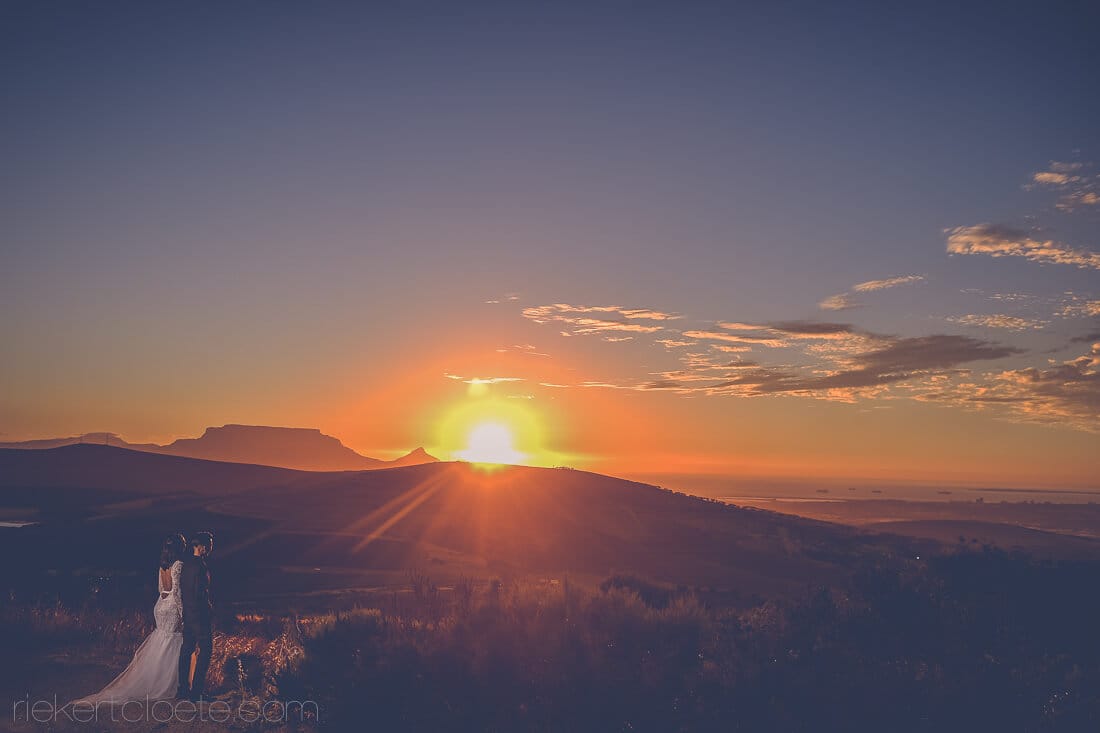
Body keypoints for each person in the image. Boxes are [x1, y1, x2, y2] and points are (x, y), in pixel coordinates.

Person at [70, 534, 187, 707]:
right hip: (172, 607)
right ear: (180, 547)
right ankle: (168, 684)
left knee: (162, 640)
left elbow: (161, 590)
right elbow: (176, 592)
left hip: (160, 605)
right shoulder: (179, 565)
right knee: (173, 640)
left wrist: (165, 600)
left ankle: (153, 679)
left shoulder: (163, 566)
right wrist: (183, 613)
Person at [176, 531, 214, 702]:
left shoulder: (186, 565)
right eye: (209, 544)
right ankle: (197, 692)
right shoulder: (201, 566)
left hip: (188, 613)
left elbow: (184, 591)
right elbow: (201, 592)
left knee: (186, 650)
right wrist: (208, 609)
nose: (210, 548)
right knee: (206, 650)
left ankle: (183, 689)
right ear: (201, 546)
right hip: (200, 615)